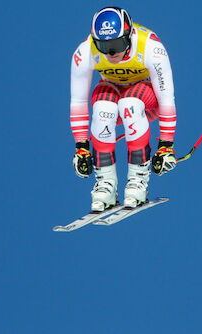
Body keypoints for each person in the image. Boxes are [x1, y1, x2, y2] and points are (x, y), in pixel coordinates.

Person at [70, 6, 177, 211]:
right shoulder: (85, 51)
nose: (111, 53)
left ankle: (137, 181)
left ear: (128, 36)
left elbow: (166, 99)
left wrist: (166, 146)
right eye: (103, 45)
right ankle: (106, 184)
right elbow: (78, 101)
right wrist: (81, 147)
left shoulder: (150, 47)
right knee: (102, 108)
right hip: (113, 91)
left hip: (146, 100)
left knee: (130, 104)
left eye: (117, 44)